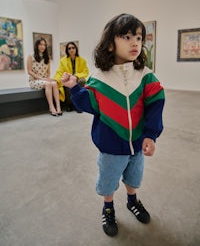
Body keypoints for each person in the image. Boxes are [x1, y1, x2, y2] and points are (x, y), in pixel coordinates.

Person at [61, 13, 165, 237]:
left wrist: (150, 134)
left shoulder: (145, 76)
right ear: (109, 45)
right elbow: (91, 105)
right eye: (127, 37)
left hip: (137, 142)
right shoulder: (99, 77)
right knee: (108, 180)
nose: (135, 42)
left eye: (138, 37)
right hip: (110, 144)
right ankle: (108, 208)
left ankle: (132, 200)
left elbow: (156, 104)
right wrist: (75, 88)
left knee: (134, 178)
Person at [27, 37, 62, 116]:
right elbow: (29, 71)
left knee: (54, 83)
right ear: (37, 45)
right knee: (49, 84)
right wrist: (41, 78)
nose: (42, 46)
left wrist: (48, 78)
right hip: (34, 80)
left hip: (44, 79)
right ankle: (51, 107)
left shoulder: (47, 57)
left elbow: (48, 72)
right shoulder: (31, 56)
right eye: (40, 44)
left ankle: (58, 107)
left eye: (44, 45)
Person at [54, 41, 89, 112]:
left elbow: (85, 72)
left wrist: (76, 76)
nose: (71, 50)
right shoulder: (62, 61)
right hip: (68, 78)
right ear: (67, 50)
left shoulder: (82, 60)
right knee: (66, 82)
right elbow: (60, 71)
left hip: (78, 79)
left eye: (73, 48)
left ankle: (79, 105)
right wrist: (56, 79)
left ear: (76, 49)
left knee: (82, 81)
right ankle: (69, 104)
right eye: (69, 48)